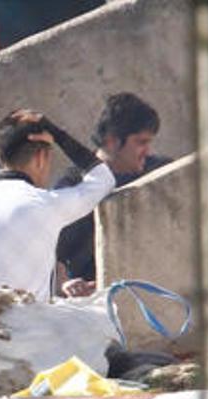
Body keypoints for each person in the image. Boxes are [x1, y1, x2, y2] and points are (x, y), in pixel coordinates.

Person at [0, 109, 116, 301]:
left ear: (3, 159)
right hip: (30, 328)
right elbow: (103, 179)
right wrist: (57, 134)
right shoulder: (45, 206)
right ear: (41, 158)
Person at [55, 93, 167, 298]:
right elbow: (52, 251)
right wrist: (65, 285)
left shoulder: (158, 173)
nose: (147, 150)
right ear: (112, 141)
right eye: (140, 142)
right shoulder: (74, 187)